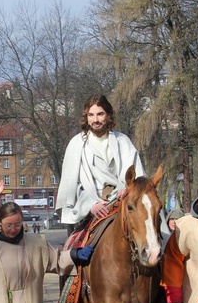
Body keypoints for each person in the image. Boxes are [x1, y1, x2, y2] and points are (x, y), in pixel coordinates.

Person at [56, 94, 143, 225]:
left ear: (108, 115)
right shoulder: (76, 144)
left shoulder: (123, 141)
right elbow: (72, 186)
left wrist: (126, 189)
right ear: (86, 117)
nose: (95, 120)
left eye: (100, 114)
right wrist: (91, 205)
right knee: (77, 244)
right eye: (91, 115)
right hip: (91, 210)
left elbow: (136, 177)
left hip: (123, 204)